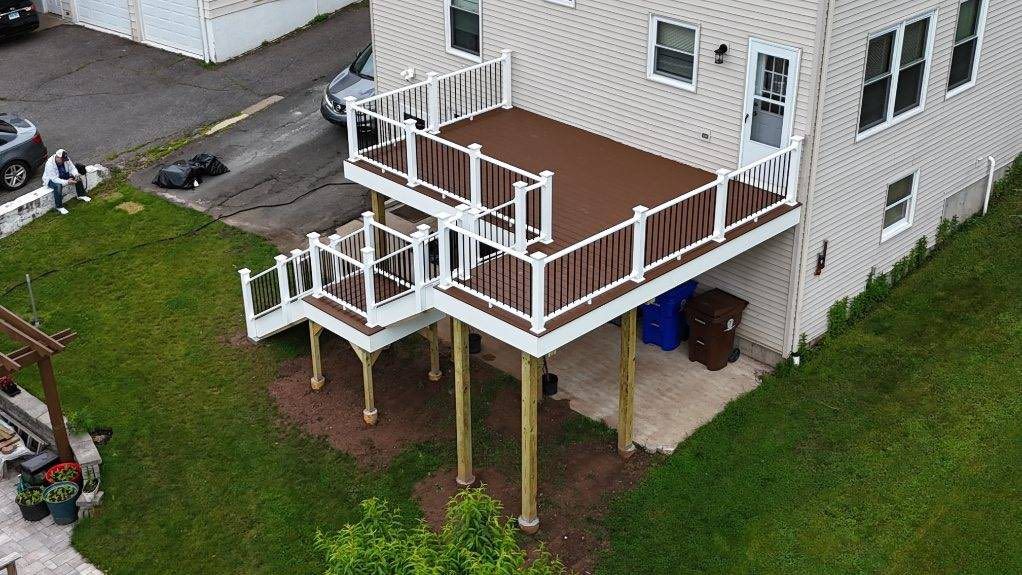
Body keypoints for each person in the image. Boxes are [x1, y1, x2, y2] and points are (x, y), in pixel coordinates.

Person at [42, 149, 90, 215]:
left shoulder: (66, 159)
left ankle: (81, 195)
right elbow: (54, 179)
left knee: (77, 178)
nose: (64, 161)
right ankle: (59, 207)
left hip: (63, 175)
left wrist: (76, 174)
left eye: (64, 159)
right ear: (57, 157)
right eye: (62, 159)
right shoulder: (49, 164)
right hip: (51, 179)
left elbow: (72, 168)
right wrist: (67, 182)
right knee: (58, 186)